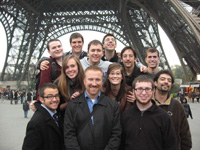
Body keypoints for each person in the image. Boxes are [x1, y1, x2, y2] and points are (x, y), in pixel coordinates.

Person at [64, 66, 121, 150]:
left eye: (97, 80)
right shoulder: (72, 105)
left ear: (102, 81)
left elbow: (116, 134)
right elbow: (69, 134)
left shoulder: (113, 105)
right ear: (84, 81)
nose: (94, 84)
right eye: (90, 79)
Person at [120, 75, 176, 150]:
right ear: (134, 91)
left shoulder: (163, 117)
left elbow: (171, 145)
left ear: (153, 91)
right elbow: (121, 144)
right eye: (139, 89)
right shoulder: (126, 116)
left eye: (147, 89)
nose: (143, 93)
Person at [153, 70, 192, 150]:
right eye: (162, 79)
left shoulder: (178, 106)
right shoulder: (147, 104)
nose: (166, 82)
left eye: (169, 80)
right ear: (155, 83)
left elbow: (185, 134)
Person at [22, 83, 63, 150]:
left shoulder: (57, 114)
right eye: (49, 96)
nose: (55, 99)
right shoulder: (36, 123)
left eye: (56, 95)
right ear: (41, 99)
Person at [55, 54, 85, 123]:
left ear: (78, 66)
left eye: (73, 66)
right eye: (67, 67)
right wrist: (70, 102)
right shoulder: (58, 83)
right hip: (66, 122)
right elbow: (56, 107)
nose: (70, 70)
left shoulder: (86, 80)